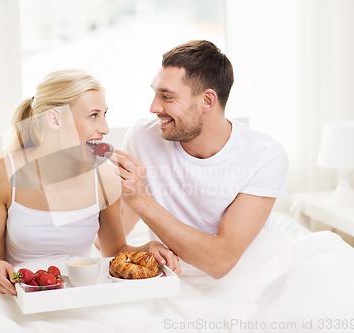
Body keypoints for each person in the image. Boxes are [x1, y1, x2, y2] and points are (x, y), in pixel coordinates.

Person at [0, 69, 178, 295]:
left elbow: (114, 251)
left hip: (79, 294)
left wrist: (147, 249)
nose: (105, 129)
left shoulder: (106, 178)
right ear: (54, 119)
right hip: (21, 297)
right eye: (93, 115)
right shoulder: (2, 174)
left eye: (105, 114)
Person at [114, 40, 288, 279]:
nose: (153, 107)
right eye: (155, 93)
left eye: (166, 96)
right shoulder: (142, 136)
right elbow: (117, 232)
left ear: (207, 100)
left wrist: (141, 199)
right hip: (167, 276)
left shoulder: (264, 156)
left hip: (245, 281)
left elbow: (221, 261)